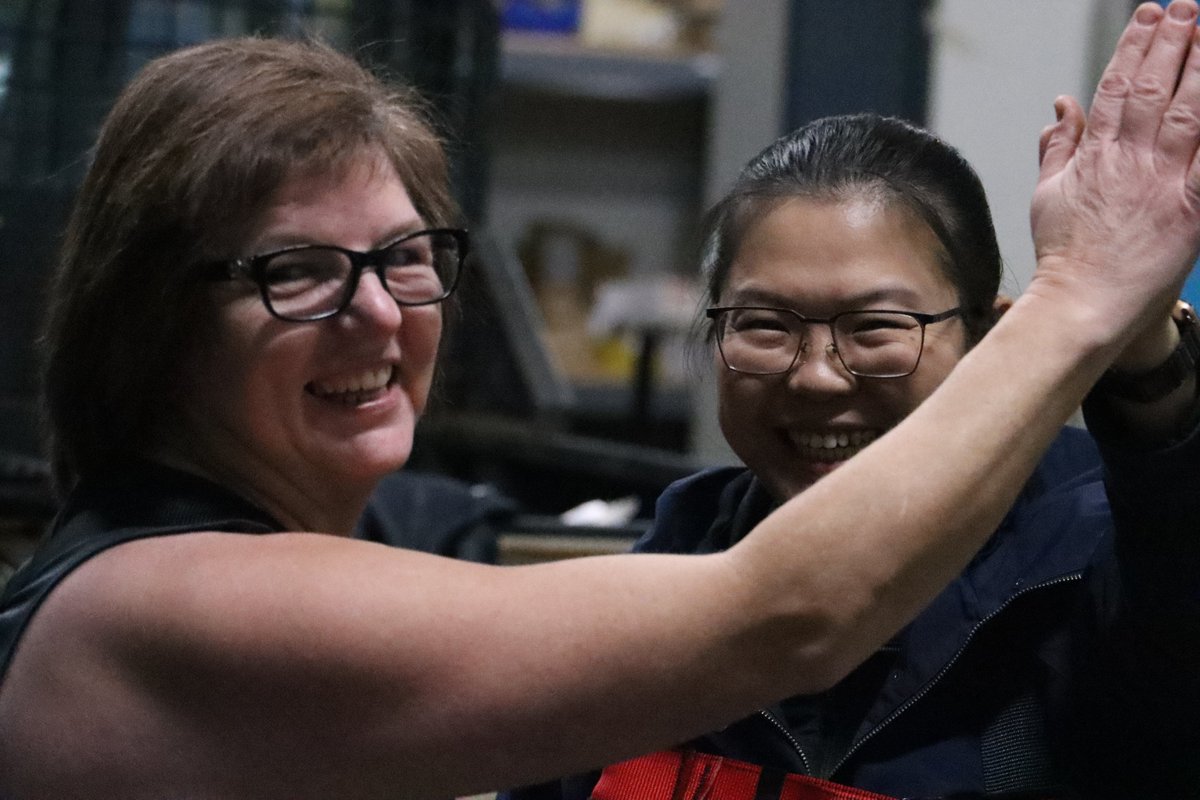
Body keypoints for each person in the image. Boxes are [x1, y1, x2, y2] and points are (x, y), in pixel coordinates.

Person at [1, 1, 1199, 796]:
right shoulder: (171, 601)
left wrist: (1132, 355)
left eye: (404, 257)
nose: (374, 312)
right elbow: (787, 615)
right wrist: (1084, 291)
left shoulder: (1089, 553)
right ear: (150, 310)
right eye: (296, 270)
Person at [500, 8, 1200, 800]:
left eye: (876, 328)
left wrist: (1133, 344)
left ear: (991, 339)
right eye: (764, 325)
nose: (818, 377)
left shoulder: (1089, 567)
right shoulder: (664, 583)